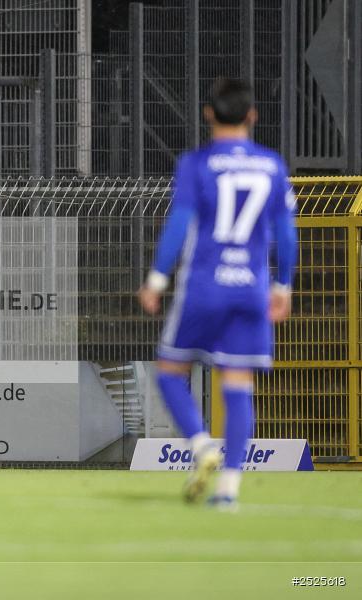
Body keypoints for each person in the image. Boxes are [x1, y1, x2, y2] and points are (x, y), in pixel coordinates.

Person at [137, 77, 297, 510]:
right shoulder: (272, 165)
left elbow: (178, 224)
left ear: (208, 114)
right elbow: (285, 232)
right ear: (252, 116)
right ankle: (229, 488)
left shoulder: (197, 164)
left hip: (205, 286)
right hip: (251, 289)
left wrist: (156, 279)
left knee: (171, 372)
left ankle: (203, 445)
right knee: (238, 383)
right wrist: (283, 285)